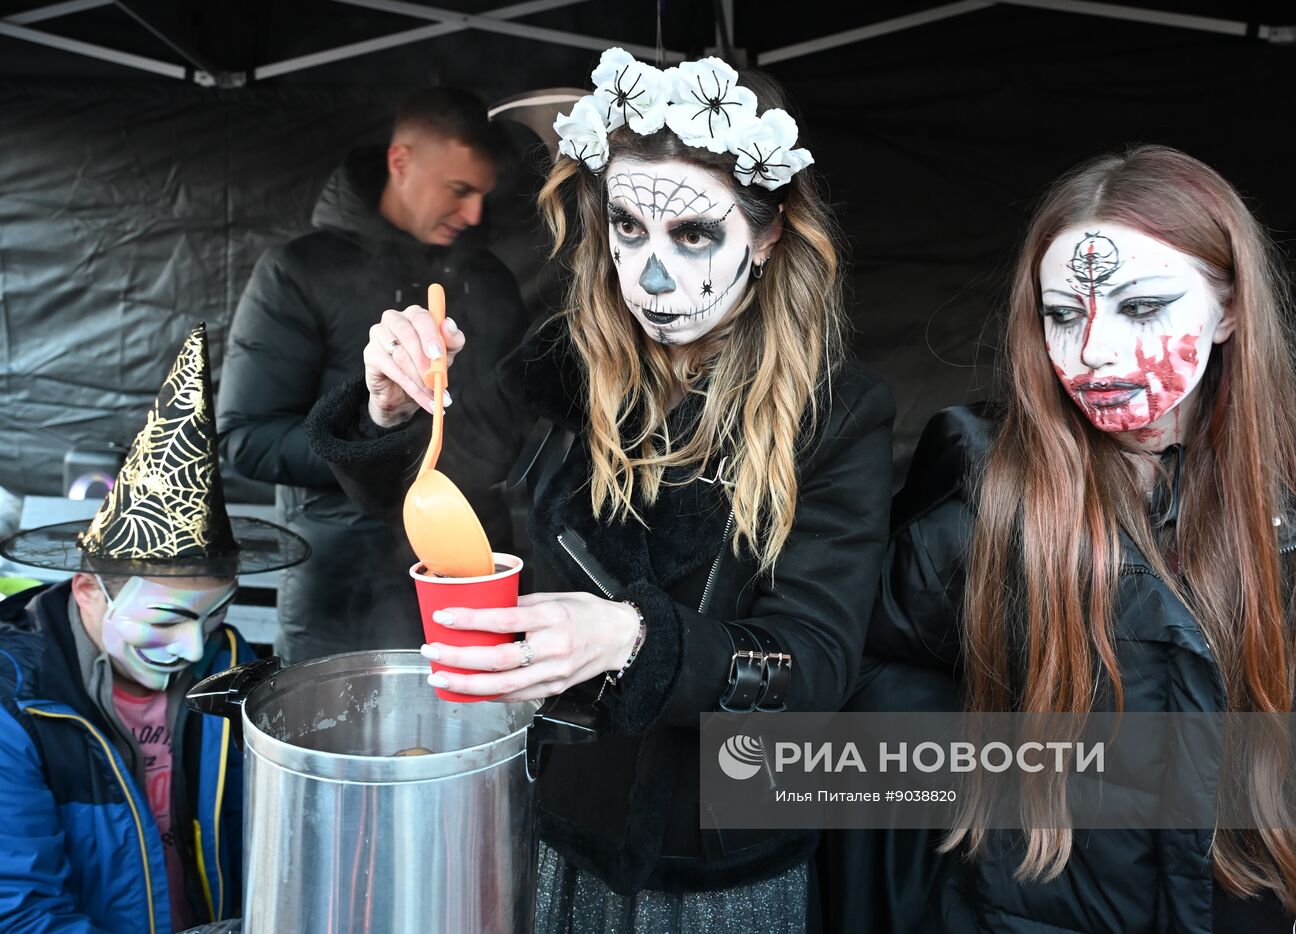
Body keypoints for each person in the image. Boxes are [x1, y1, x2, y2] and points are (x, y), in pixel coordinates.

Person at [305, 49, 894, 932]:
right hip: (561, 824)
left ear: (769, 234)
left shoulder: (837, 413)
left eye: (691, 234)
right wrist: (392, 409)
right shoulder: (563, 362)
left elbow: (812, 668)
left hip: (722, 861)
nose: (650, 275)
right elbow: (442, 513)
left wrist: (633, 638)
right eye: (628, 227)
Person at [841, 146, 1296, 933]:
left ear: (1229, 310)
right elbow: (862, 691)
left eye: (1141, 307)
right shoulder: (985, 511)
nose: (1093, 349)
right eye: (1063, 315)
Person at [0, 325, 308, 933]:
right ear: (88, 590)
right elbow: (22, 913)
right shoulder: (17, 707)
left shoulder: (229, 668)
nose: (195, 646)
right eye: (167, 618)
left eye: (214, 614)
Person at [218, 86, 530, 663]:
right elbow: (245, 438)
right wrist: (375, 441)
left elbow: (516, 418)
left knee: (482, 717)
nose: (473, 215)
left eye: (482, 195)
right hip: (342, 585)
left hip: (474, 566)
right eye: (458, 190)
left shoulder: (490, 279)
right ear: (401, 161)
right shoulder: (298, 271)